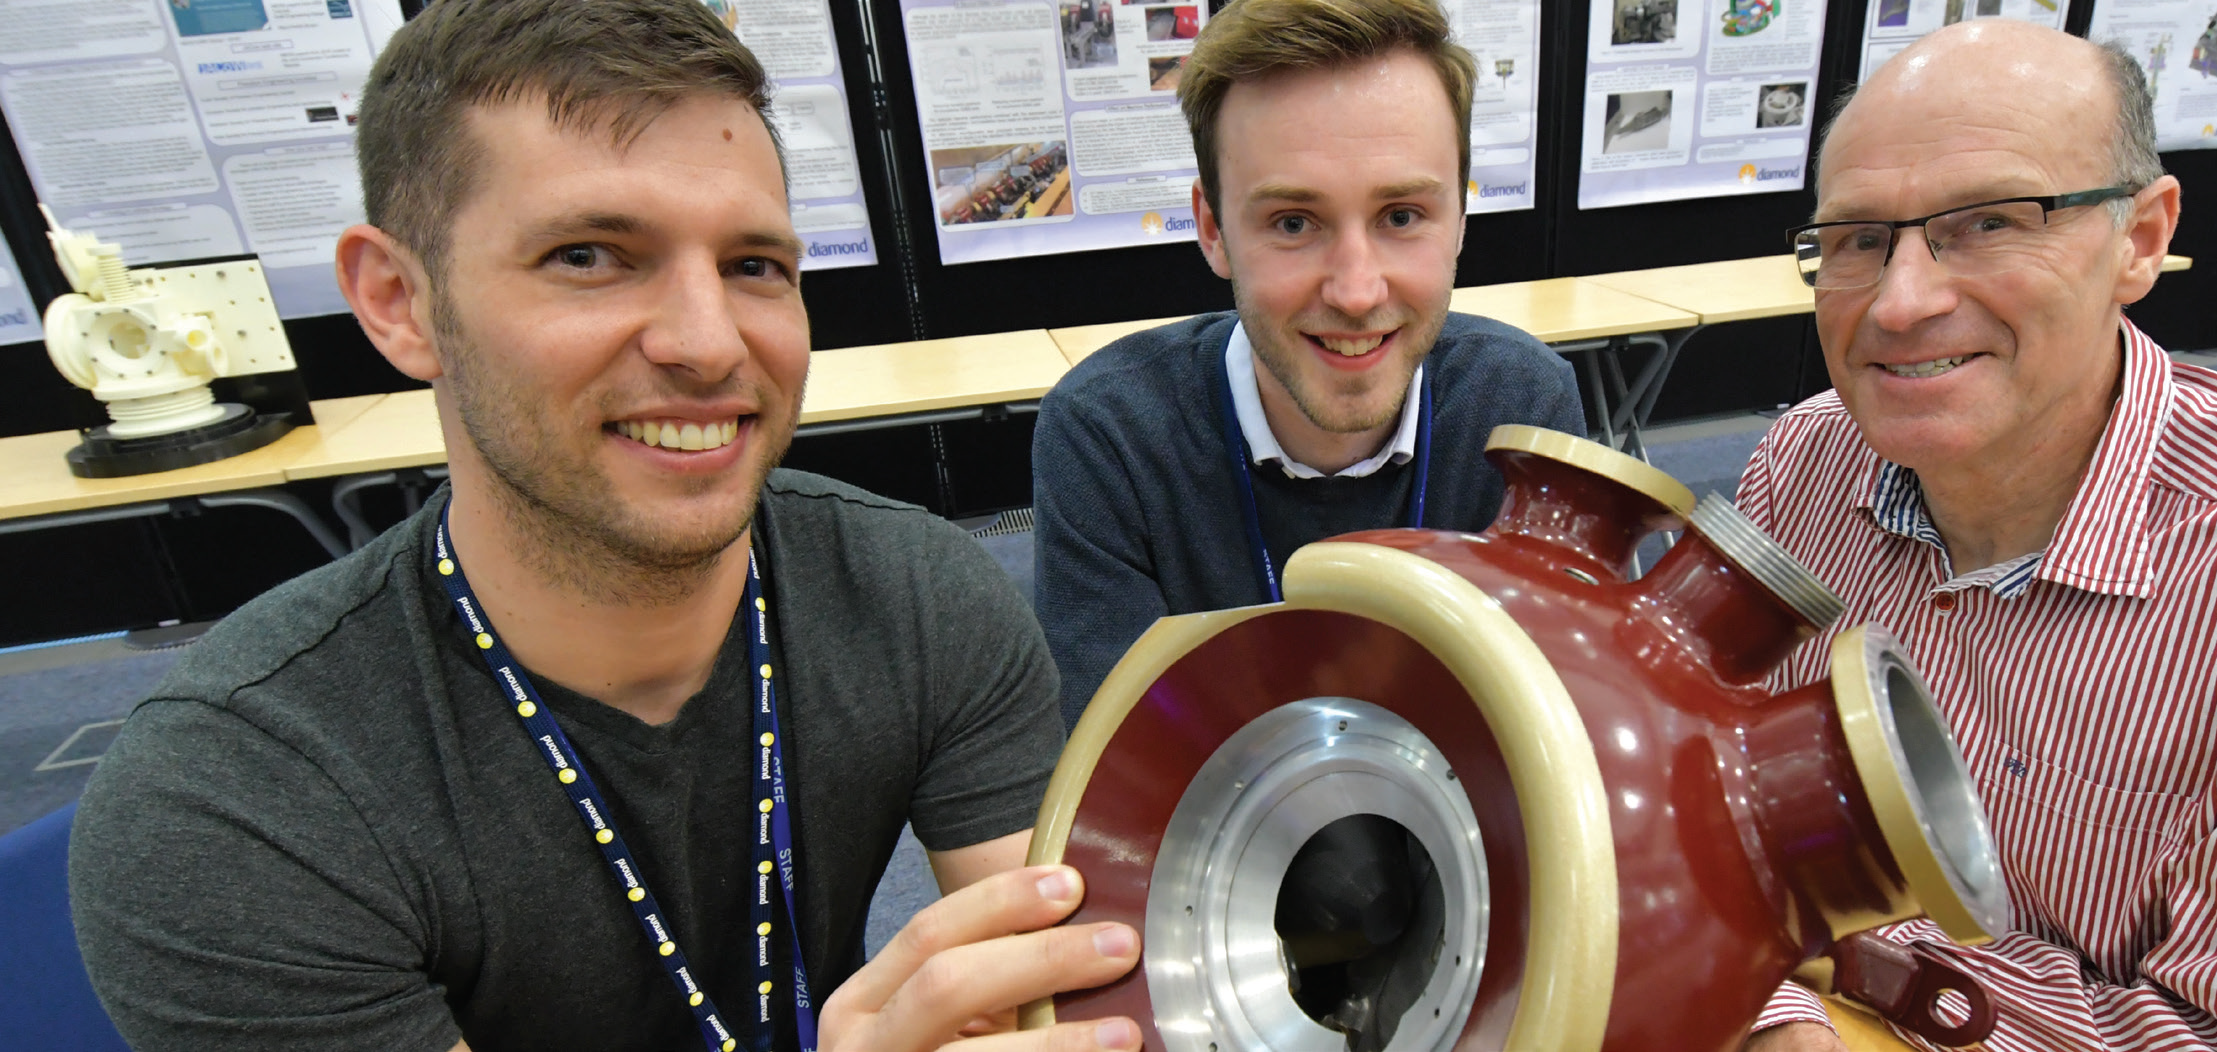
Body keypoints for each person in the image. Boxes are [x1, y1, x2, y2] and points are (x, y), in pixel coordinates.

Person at [66, 2, 1142, 1050]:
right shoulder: (235, 799)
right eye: (589, 254)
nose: (708, 341)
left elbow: (1076, 978)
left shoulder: (914, 593)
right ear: (400, 300)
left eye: (753, 266)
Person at [1738, 20, 2217, 1051]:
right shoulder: (1803, 467)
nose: (1901, 302)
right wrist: (1778, 1011)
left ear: (2141, 237)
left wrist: (1837, 982)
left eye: (1990, 222)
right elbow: (1727, 836)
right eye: (1861, 239)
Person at [1033, 0, 1588, 726]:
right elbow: (1119, 785)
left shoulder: (1520, 409)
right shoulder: (1111, 438)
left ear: (1459, 218)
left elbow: (1567, 740)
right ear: (1213, 230)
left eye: (1401, 217)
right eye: (1293, 223)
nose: (1357, 293)